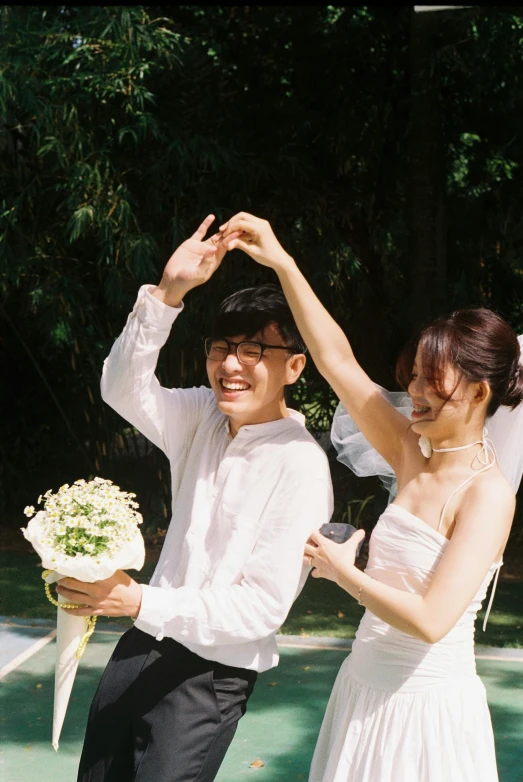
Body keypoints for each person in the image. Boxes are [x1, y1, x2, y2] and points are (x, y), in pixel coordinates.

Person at [219, 212, 523, 782]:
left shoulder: (489, 496)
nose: (414, 393)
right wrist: (282, 259)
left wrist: (344, 573)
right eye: (413, 377)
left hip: (426, 711)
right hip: (361, 687)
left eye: (433, 382)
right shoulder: (410, 450)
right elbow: (336, 361)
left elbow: (433, 621)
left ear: (480, 392)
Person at [56, 215, 334, 782]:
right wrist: (169, 292)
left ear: (295, 367)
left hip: (208, 677)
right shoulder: (201, 416)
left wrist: (139, 602)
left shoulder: (300, 463)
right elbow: (121, 388)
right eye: (222, 347)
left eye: (255, 349)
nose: (231, 364)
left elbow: (260, 609)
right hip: (140, 649)